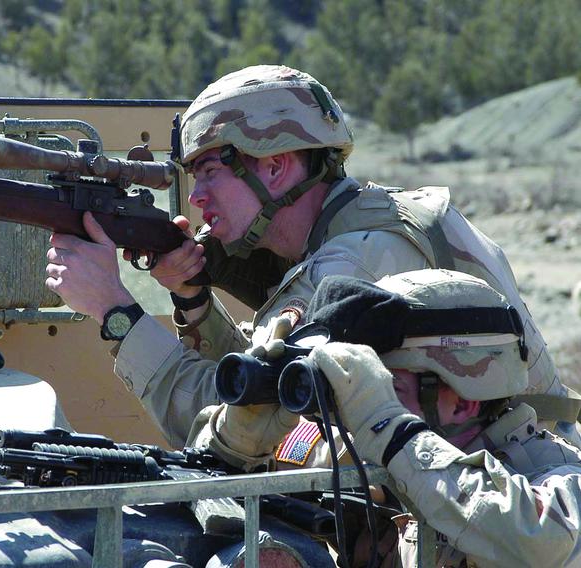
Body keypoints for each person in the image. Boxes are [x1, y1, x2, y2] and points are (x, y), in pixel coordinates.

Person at [45, 64, 579, 449]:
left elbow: (231, 433)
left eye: (210, 171)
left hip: (497, 508)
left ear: (275, 167)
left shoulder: (346, 267)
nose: (198, 196)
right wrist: (193, 301)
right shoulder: (377, 217)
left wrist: (115, 310)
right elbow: (260, 384)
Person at [192, 269, 581, 567]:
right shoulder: (362, 452)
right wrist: (237, 443)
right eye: (364, 384)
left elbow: (538, 542)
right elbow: (193, 498)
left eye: (386, 386)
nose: (359, 408)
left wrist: (390, 428)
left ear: (462, 403)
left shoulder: (558, 478)